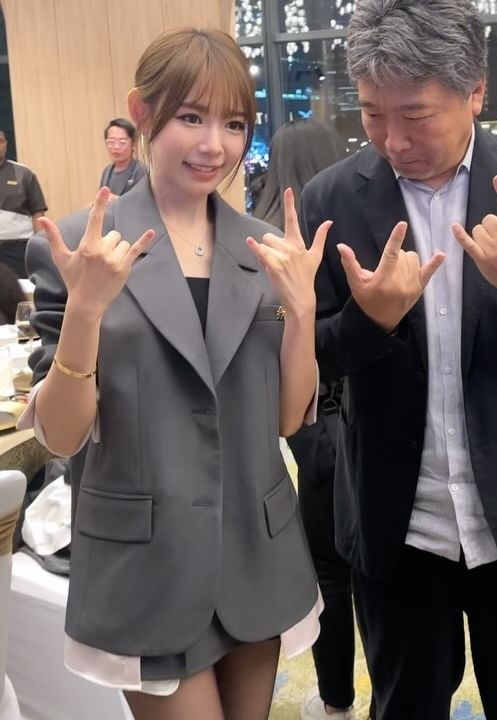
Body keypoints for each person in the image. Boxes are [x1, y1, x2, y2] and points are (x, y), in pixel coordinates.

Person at [298, 1, 497, 719]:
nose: (392, 140)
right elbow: (306, 365)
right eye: (372, 114)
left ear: (475, 91)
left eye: (415, 115)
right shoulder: (332, 200)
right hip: (399, 527)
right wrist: (367, 322)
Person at [19, 27, 331, 720]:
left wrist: (303, 312)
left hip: (255, 549)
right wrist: (85, 311)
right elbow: (63, 437)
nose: (213, 145)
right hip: (146, 564)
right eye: (191, 116)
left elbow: (287, 418)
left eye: (234, 124)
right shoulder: (85, 250)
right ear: (142, 111)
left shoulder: (264, 250)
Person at [254, 119, 360, 720]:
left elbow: (267, 337)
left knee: (328, 569)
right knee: (375, 563)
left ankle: (335, 700)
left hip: (307, 421)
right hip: (363, 414)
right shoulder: (357, 225)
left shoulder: (261, 239)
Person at [0, 129, 47, 277]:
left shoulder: (24, 174)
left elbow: (38, 214)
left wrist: (41, 248)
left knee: (21, 289)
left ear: (6, 145)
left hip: (18, 249)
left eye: (0, 141)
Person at [99, 118, 147, 199]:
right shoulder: (106, 172)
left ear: (133, 144)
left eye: (122, 142)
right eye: (111, 142)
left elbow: (144, 201)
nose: (116, 147)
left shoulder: (141, 171)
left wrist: (117, 200)